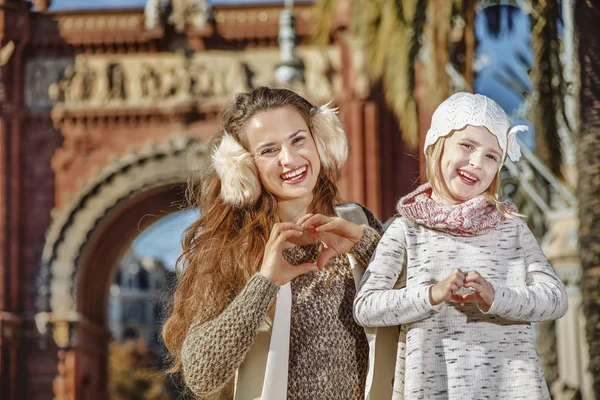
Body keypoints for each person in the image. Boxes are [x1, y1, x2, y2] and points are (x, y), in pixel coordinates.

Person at [161, 86, 393, 399]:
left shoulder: (358, 222)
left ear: (320, 140)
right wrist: (263, 284)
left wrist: (367, 245)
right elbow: (201, 373)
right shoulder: (231, 250)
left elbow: (420, 304)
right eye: (269, 150)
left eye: (298, 140)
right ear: (243, 168)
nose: (290, 159)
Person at [354, 92, 568, 400]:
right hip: (433, 388)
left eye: (492, 156)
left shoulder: (512, 228)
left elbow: (556, 298)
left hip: (513, 389)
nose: (476, 163)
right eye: (467, 146)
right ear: (437, 146)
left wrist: (496, 296)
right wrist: (431, 294)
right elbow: (365, 307)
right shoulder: (407, 230)